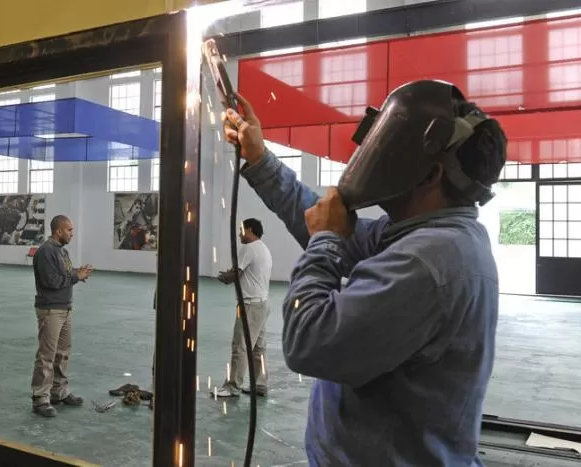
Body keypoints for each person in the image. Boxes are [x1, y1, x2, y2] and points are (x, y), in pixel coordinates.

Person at [223, 79, 506, 465]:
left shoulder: (428, 262)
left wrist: (325, 239)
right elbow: (320, 216)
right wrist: (259, 157)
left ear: (430, 175)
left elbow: (308, 339)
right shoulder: (428, 236)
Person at [30, 215, 94, 417]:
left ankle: (58, 392)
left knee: (63, 352)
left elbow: (64, 275)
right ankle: (40, 399)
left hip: (65, 308)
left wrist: (77, 273)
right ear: (58, 231)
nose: (72, 234)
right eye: (69, 230)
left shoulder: (62, 252)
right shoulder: (45, 252)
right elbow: (51, 281)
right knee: (46, 356)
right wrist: (77, 276)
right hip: (51, 310)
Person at [212, 218, 272, 398]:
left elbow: (235, 274)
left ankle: (233, 386)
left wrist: (223, 277)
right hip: (262, 304)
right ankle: (260, 385)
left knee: (240, 346)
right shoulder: (263, 248)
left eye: (241, 231)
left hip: (250, 306)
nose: (239, 235)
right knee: (258, 348)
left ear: (250, 230)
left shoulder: (249, 248)